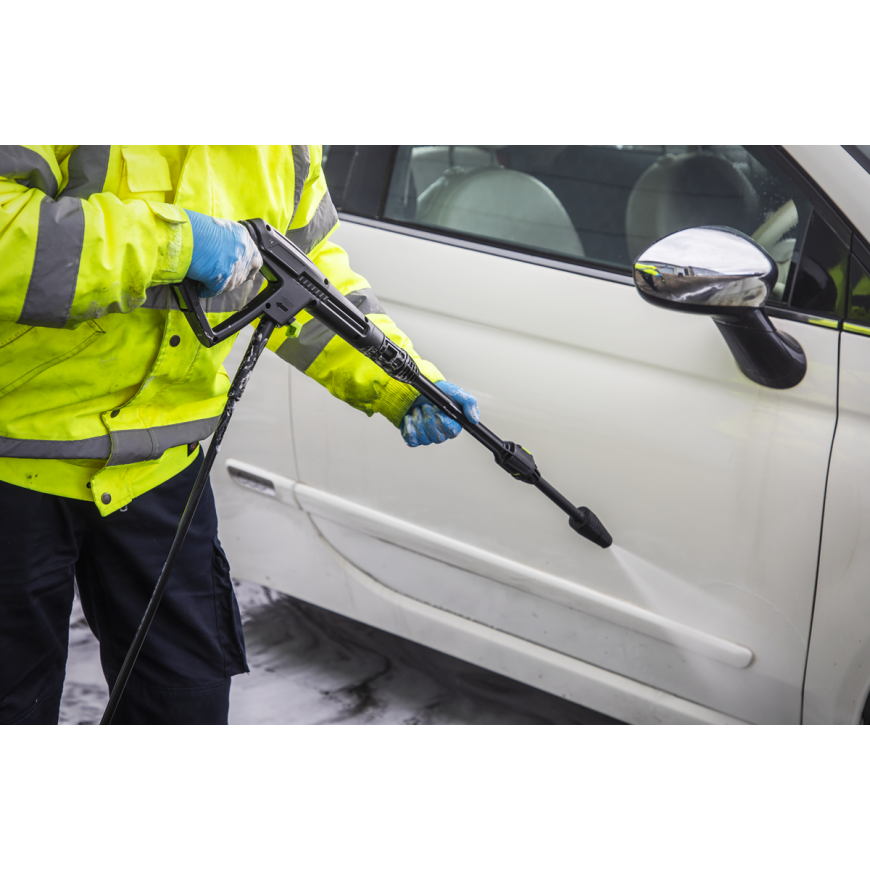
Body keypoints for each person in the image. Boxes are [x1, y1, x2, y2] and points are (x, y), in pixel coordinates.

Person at [0, 145, 479, 726]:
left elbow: (304, 272)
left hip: (160, 463)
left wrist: (402, 380)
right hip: (15, 455)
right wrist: (175, 244)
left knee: (186, 702)